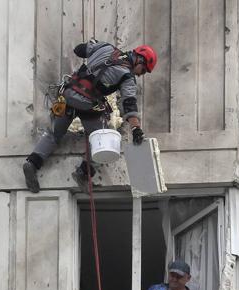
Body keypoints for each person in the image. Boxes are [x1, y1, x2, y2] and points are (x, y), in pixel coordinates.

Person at [22, 40, 158, 193]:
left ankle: (32, 163)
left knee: (53, 134)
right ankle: (83, 173)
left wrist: (92, 46)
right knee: (103, 140)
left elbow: (79, 50)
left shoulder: (106, 47)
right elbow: (129, 104)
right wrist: (136, 129)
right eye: (144, 70)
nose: (140, 74)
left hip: (68, 95)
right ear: (139, 60)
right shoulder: (127, 77)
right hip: (87, 106)